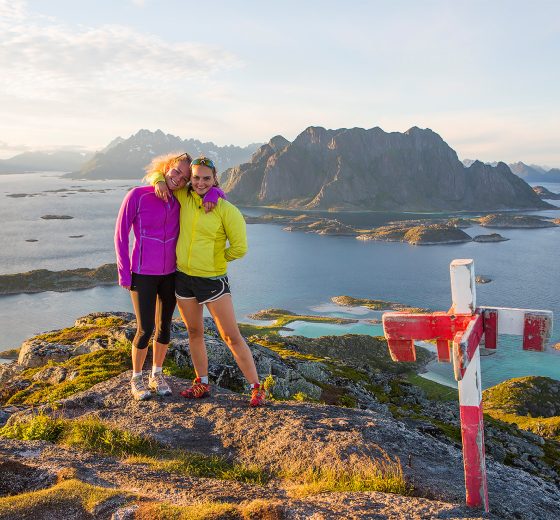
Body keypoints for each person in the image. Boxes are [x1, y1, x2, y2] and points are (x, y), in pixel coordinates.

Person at [154, 156, 265, 407]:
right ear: (190, 180)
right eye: (196, 178)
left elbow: (239, 249)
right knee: (194, 332)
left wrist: (215, 259)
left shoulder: (227, 210)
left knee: (231, 336)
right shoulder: (183, 197)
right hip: (183, 278)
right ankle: (201, 383)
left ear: (215, 179)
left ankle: (256, 388)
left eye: (206, 178)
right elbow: (161, 176)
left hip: (212, 280)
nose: (200, 182)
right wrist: (158, 180)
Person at [115, 152, 223, 401]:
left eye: (184, 177)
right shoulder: (137, 195)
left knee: (165, 328)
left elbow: (212, 193)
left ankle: (157, 373)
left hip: (171, 274)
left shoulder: (181, 199)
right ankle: (136, 378)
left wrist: (215, 193)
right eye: (175, 171)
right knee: (145, 329)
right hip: (142, 273)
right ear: (166, 168)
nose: (178, 178)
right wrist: (124, 272)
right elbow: (120, 235)